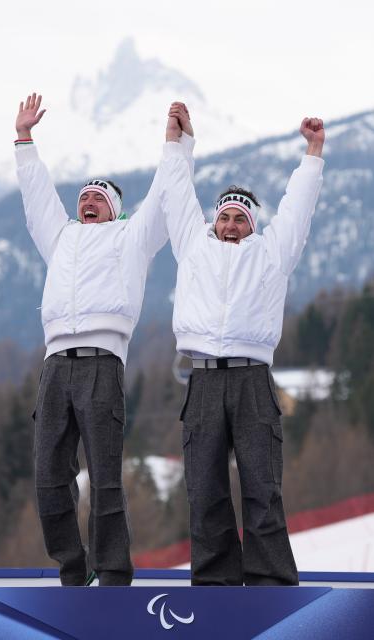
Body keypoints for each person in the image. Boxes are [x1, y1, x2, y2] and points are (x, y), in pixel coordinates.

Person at [14, 93, 195, 586]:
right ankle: (74, 569)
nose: (87, 201)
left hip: (101, 364)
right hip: (56, 367)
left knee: (105, 478)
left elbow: (162, 199)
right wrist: (25, 140)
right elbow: (37, 200)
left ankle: (113, 572)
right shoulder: (61, 239)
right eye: (83, 198)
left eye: (98, 198)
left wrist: (176, 144)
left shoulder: (130, 239)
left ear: (114, 211)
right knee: (50, 476)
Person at [160, 103, 325, 586]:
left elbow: (297, 209)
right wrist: (177, 142)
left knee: (262, 490)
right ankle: (214, 586)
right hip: (204, 380)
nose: (230, 224)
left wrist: (313, 153)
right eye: (225, 217)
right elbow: (175, 195)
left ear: (253, 224)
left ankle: (270, 586)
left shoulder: (272, 254)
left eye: (240, 217)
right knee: (205, 491)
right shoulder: (193, 244)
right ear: (214, 222)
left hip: (253, 380)